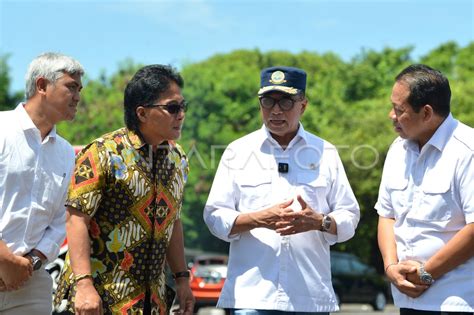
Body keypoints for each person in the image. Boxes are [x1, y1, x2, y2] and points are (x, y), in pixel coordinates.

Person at [204, 66, 360, 314]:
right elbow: (214, 216)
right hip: (252, 297)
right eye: (267, 101)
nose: (275, 110)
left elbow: (350, 215)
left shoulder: (326, 152)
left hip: (309, 296)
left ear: (303, 105)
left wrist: (320, 221)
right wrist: (258, 219)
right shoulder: (238, 151)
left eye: (286, 102)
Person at [53, 65, 194, 315]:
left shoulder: (178, 159)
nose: (181, 114)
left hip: (153, 301)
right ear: (142, 113)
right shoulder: (102, 153)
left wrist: (182, 279)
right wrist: (84, 285)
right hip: (99, 300)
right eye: (172, 107)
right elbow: (76, 221)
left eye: (183, 106)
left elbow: (173, 222)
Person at [376, 64, 473, 315]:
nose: (391, 115)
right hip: (406, 298)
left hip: (457, 300)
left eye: (399, 110)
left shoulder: (467, 151)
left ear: (427, 113)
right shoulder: (398, 150)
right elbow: (387, 215)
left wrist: (426, 273)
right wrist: (390, 268)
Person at [0, 52, 84, 314]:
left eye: (79, 89)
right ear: (42, 86)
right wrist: (4, 260)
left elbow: (61, 220)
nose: (78, 96)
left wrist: (30, 263)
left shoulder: (66, 153)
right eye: (71, 86)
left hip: (30, 282)